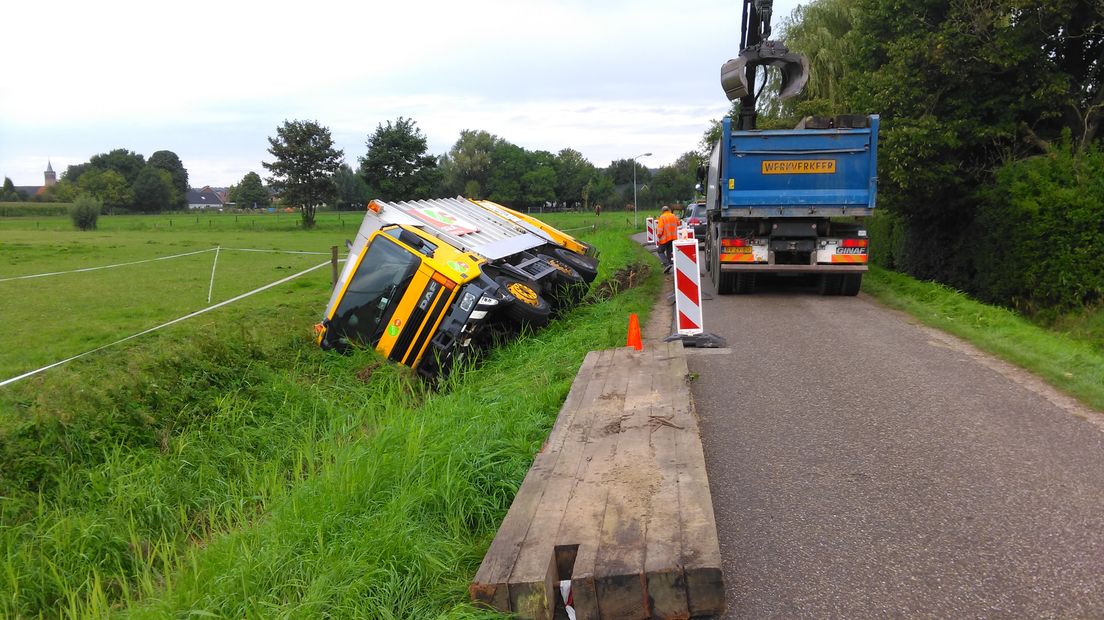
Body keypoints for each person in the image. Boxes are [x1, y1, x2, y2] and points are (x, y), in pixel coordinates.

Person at [656, 205, 680, 273]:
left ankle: (667, 264)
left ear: (662, 211)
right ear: (668, 210)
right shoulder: (673, 216)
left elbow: (660, 229)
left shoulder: (662, 217)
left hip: (665, 238)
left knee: (660, 251)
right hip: (673, 238)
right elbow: (678, 224)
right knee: (669, 252)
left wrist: (658, 235)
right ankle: (668, 267)